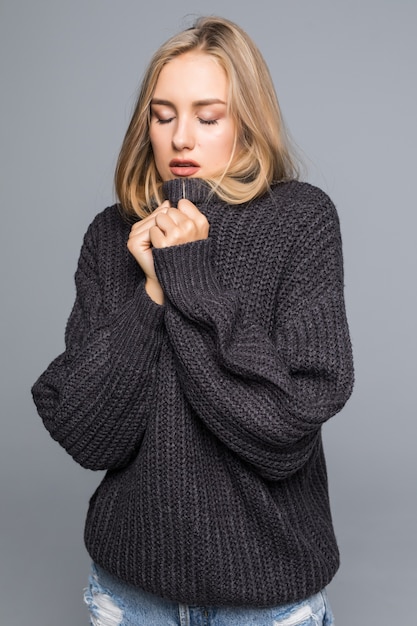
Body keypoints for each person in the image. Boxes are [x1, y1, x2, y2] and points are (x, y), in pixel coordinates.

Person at [32, 15, 354, 626]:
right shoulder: (111, 235)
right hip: (129, 596)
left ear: (248, 124)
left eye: (208, 117)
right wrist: (152, 292)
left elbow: (283, 430)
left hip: (267, 600)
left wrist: (190, 276)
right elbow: (89, 434)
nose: (182, 138)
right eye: (163, 115)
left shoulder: (301, 222)